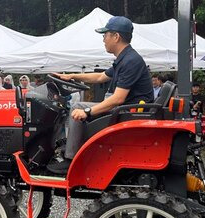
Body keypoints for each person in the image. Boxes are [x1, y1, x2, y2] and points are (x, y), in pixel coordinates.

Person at [47, 16, 153, 174]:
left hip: (127, 112)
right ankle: (70, 148)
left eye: (105, 35)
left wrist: (87, 112)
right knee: (78, 107)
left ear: (116, 37)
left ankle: (71, 159)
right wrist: (71, 76)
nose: (103, 39)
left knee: (78, 107)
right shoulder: (124, 58)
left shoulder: (130, 61)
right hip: (125, 109)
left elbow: (118, 98)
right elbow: (100, 77)